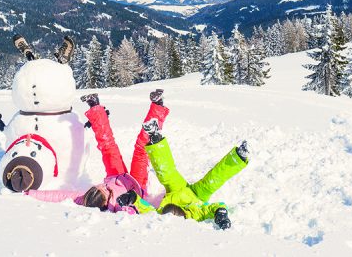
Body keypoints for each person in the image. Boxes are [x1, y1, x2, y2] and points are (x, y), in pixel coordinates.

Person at [27, 89, 169, 213]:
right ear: (106, 201)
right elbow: (139, 211)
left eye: (100, 186)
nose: (103, 186)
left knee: (107, 145)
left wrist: (32, 193)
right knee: (142, 149)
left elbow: (62, 196)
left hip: (116, 177)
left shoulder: (87, 197)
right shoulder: (119, 206)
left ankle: (94, 105)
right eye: (105, 190)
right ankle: (158, 107)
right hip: (137, 185)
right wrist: (132, 203)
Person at [116, 119, 248, 229]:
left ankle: (155, 138)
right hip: (197, 196)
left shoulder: (159, 214)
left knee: (166, 174)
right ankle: (238, 158)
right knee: (213, 180)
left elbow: (146, 209)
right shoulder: (196, 216)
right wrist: (221, 214)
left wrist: (132, 198)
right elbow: (217, 206)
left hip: (176, 190)